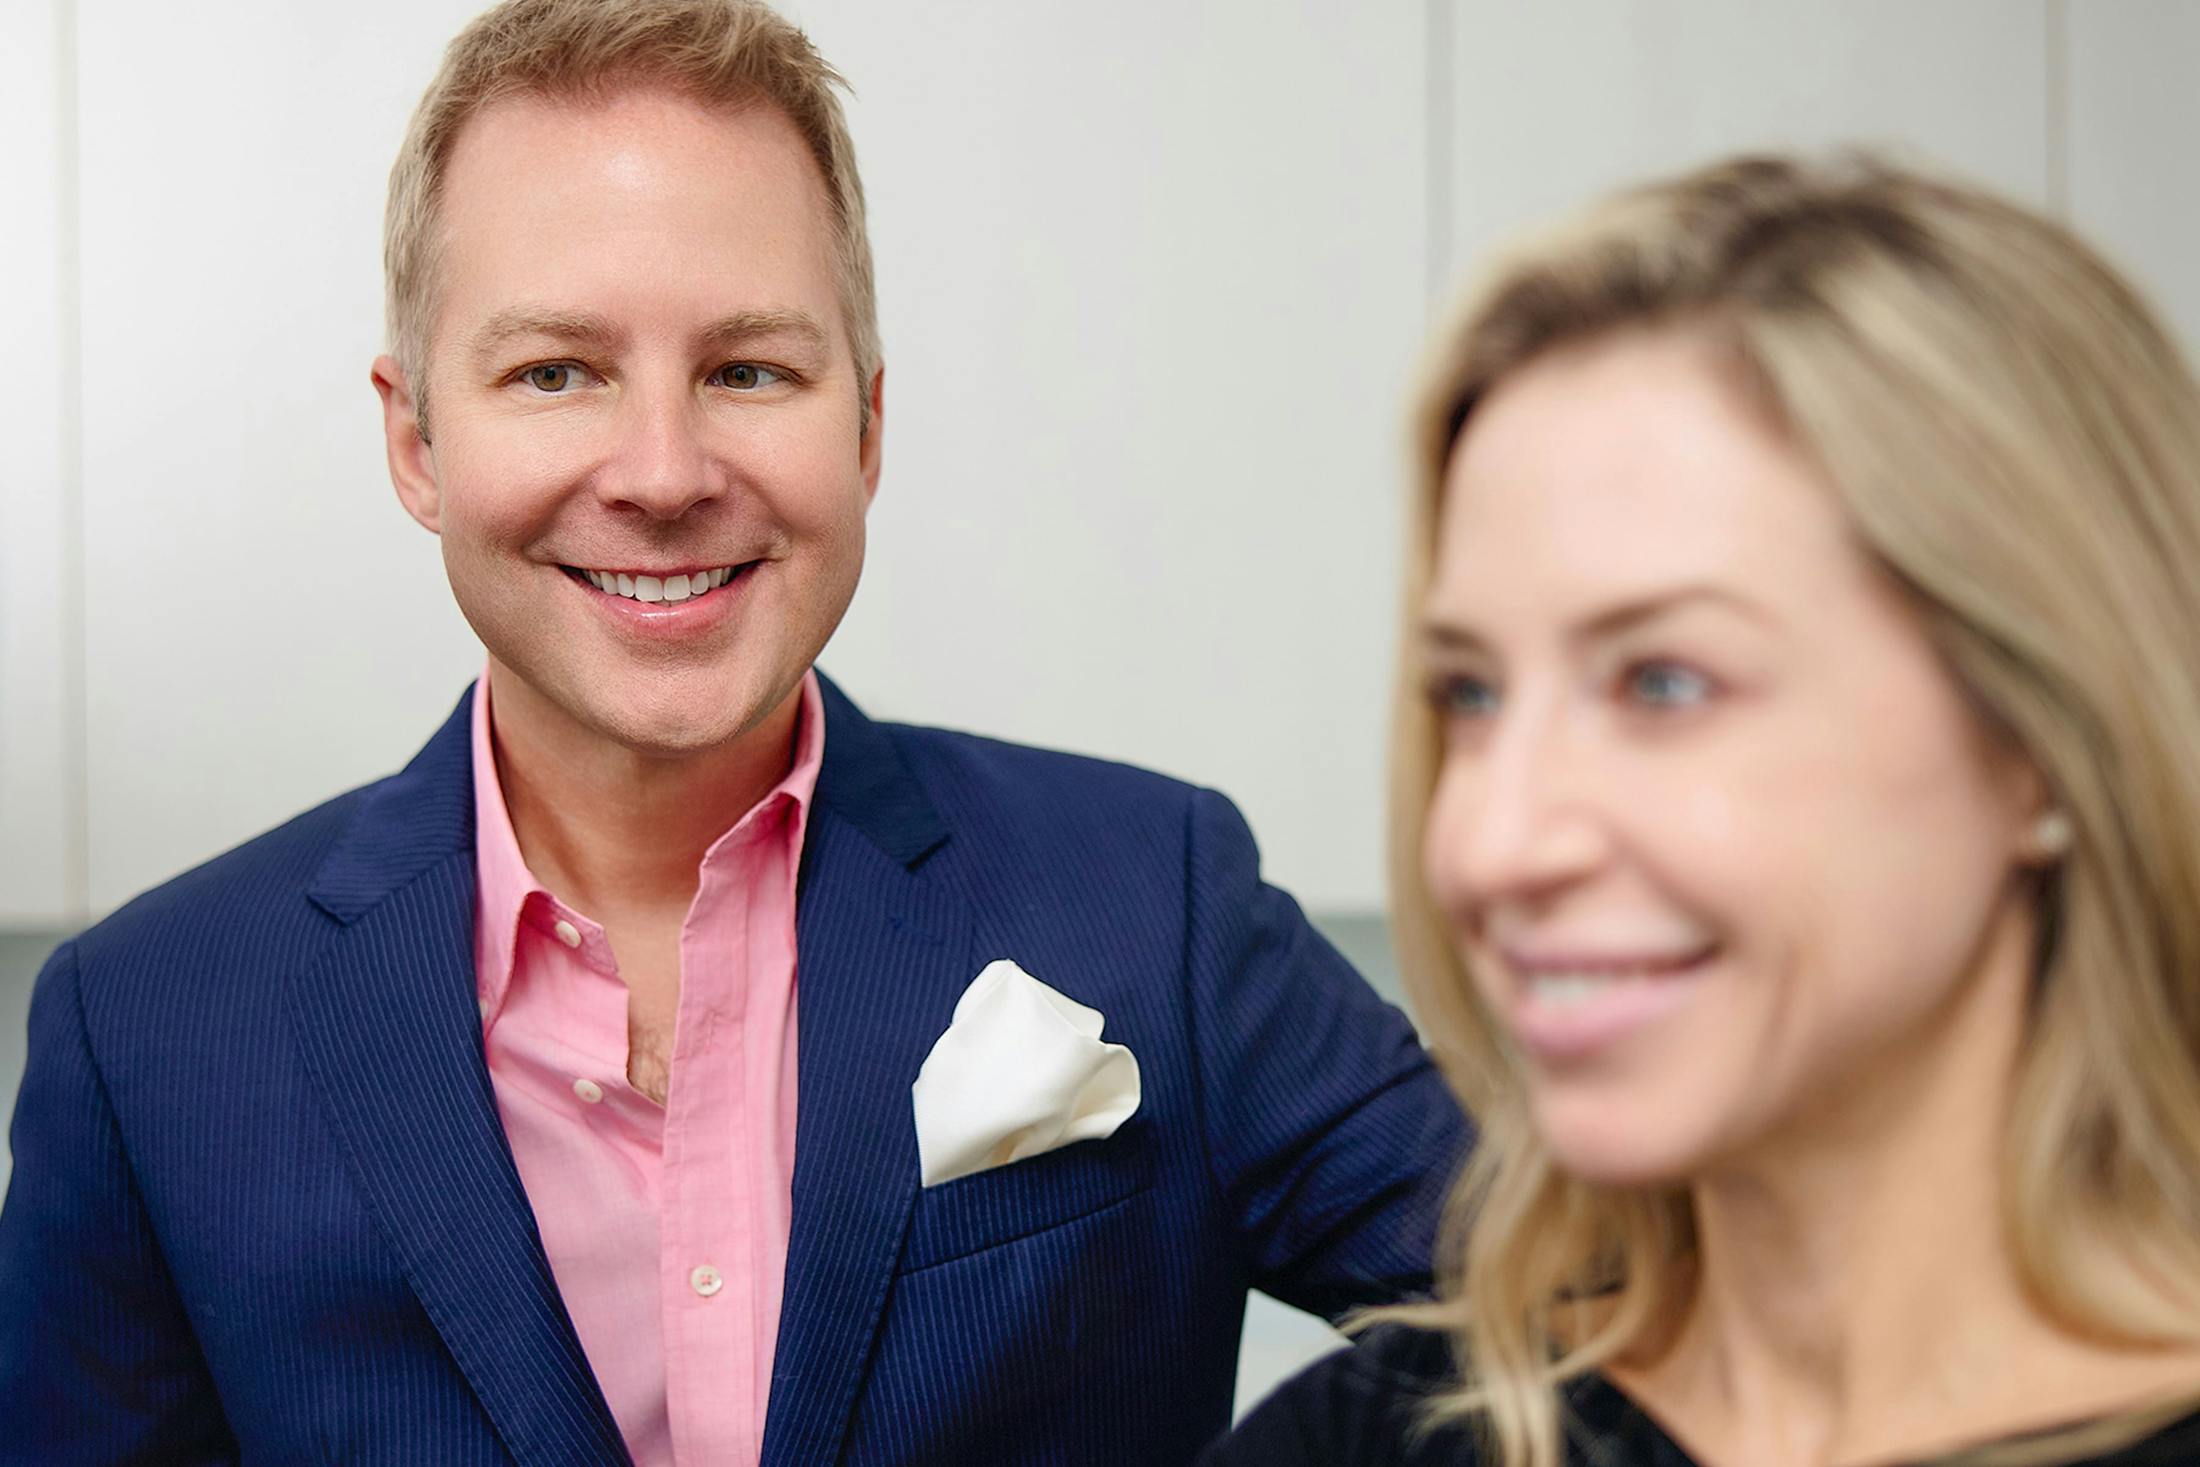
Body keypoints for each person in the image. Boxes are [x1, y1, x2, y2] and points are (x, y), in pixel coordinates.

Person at [0, 2, 1468, 1462]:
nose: (662, 473)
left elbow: (1602, 1326)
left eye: (749, 370)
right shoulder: (145, 1034)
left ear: (869, 429)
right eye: (554, 371)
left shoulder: (1165, 901)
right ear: (416, 443)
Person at [1206, 154, 2200, 1466]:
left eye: (1663, 683)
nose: (1494, 845)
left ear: (2041, 743)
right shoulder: (1381, 1439)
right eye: (1470, 693)